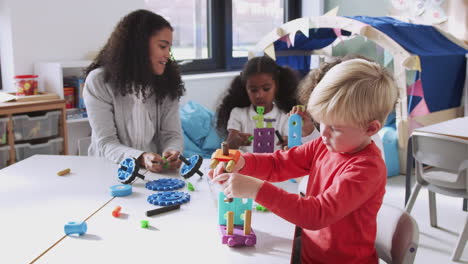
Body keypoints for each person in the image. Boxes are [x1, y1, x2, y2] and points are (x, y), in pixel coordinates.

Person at [210, 58, 398, 263]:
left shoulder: (367, 169)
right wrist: (243, 162)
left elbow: (316, 214)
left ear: (370, 128)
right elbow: (280, 163)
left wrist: (256, 189)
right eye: (321, 121)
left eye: (335, 127)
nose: (323, 132)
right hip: (310, 253)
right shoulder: (325, 144)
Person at [83, 9, 184, 172]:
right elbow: (106, 142)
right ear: (139, 45)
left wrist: (172, 151)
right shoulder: (99, 82)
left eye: (169, 48)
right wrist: (141, 157)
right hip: (108, 169)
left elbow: (172, 135)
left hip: (152, 171)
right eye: (162, 46)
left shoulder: (167, 83)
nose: (167, 54)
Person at [215, 56, 320, 153]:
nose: (259, 95)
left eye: (266, 89)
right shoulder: (238, 113)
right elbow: (228, 148)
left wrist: (290, 143)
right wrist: (234, 141)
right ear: (245, 89)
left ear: (277, 87)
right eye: (253, 90)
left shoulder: (285, 116)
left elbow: (296, 147)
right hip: (245, 167)